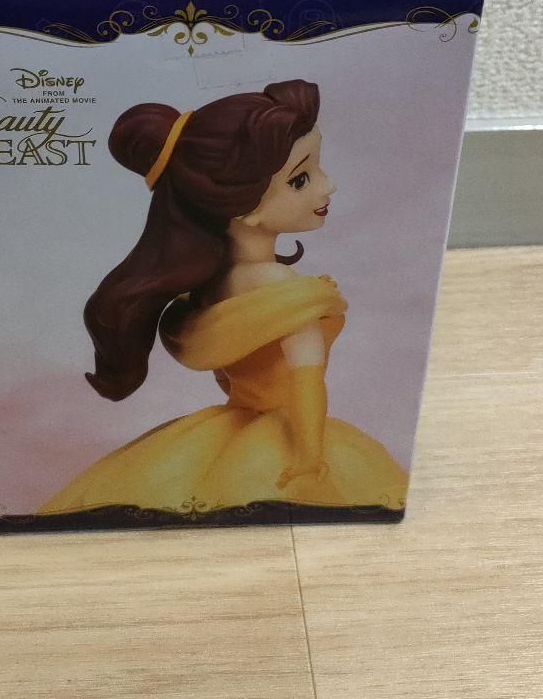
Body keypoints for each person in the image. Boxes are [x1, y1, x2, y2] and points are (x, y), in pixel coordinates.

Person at [39, 79, 408, 516]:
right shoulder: (282, 287)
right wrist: (310, 456)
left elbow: (229, 371)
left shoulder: (211, 283)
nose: (329, 186)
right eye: (300, 179)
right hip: (293, 433)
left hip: (231, 424)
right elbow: (307, 381)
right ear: (243, 206)